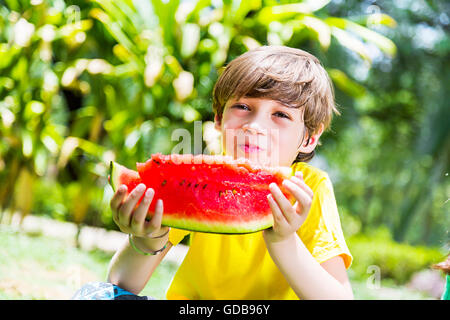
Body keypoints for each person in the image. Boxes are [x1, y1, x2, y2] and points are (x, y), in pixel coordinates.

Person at [73, 45, 353, 300]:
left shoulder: (310, 188)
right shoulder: (199, 181)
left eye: (281, 115)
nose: (254, 126)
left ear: (309, 138)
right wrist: (148, 237)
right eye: (242, 107)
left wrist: (284, 241)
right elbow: (121, 281)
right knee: (95, 296)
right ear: (219, 119)